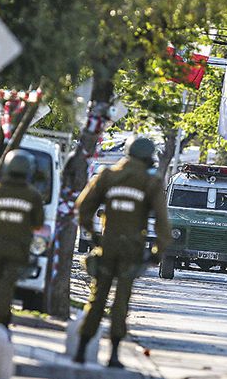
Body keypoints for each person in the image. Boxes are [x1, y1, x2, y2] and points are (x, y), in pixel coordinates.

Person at [73, 137, 171, 367]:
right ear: (148, 158)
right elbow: (163, 224)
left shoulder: (108, 175)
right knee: (121, 301)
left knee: (97, 298)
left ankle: (81, 350)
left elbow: (83, 208)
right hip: (131, 250)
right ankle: (114, 354)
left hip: (107, 246)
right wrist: (157, 252)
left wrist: (94, 236)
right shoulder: (150, 182)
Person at [0, 150, 45, 329]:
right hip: (18, 250)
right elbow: (38, 223)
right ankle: (1, 322)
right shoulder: (33, 195)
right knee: (7, 286)